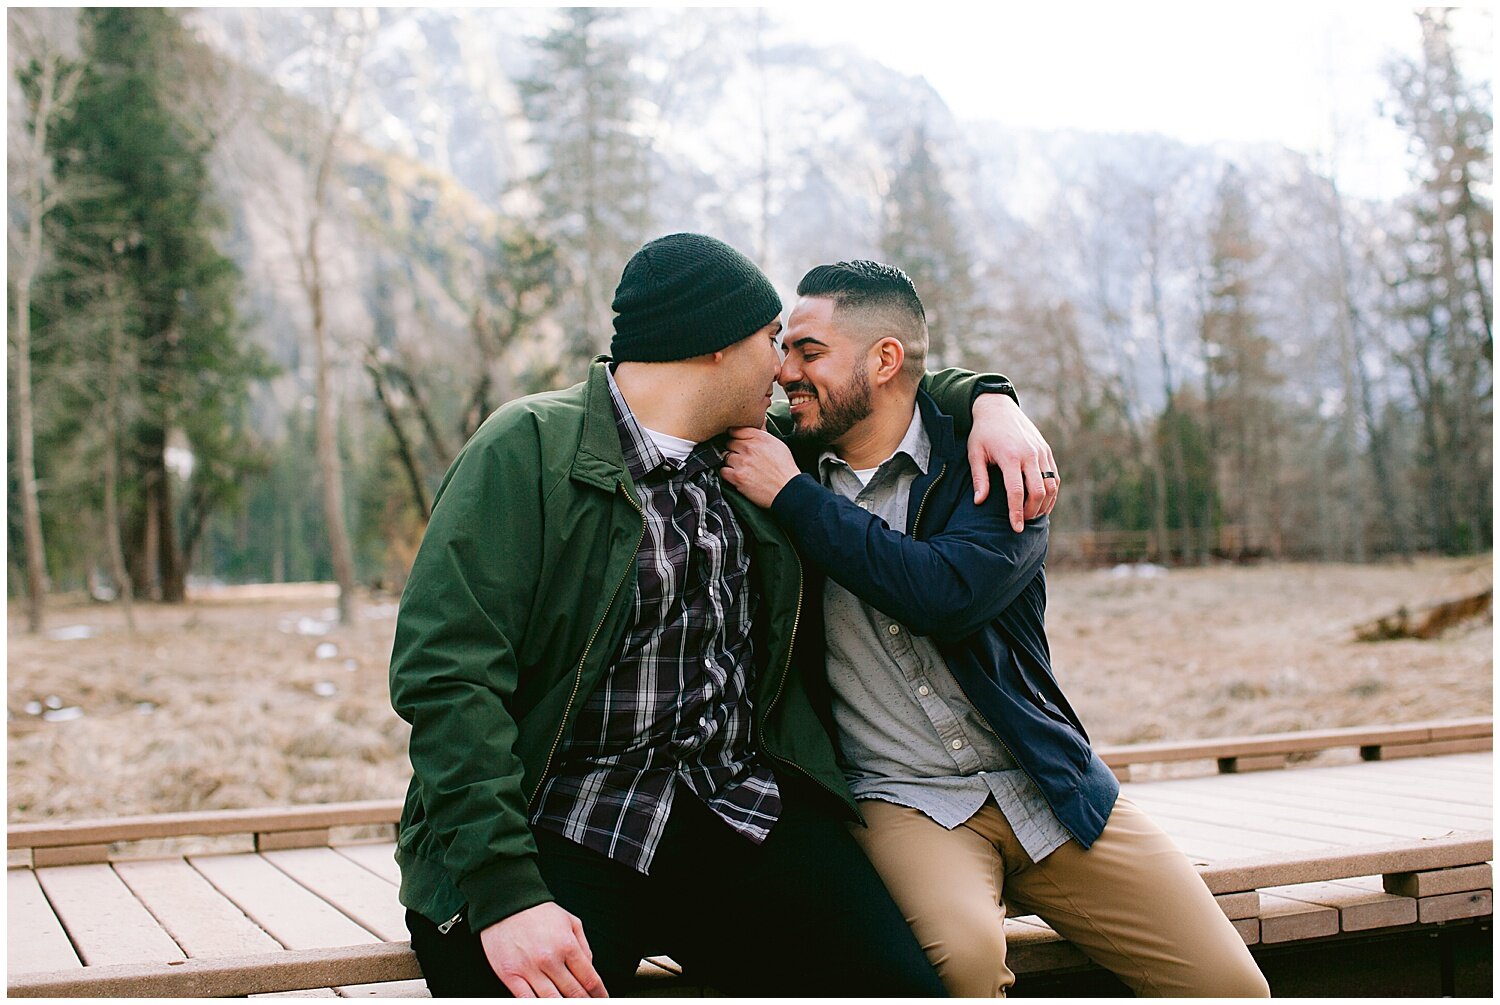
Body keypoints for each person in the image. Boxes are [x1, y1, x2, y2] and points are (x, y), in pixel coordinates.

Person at [388, 233, 1059, 997]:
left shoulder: (758, 453)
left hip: (733, 809)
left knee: (897, 987)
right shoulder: (526, 449)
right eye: (772, 340)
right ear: (711, 347)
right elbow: (446, 680)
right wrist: (504, 891)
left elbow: (887, 384)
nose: (783, 368)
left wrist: (992, 400)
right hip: (560, 823)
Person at [721, 260, 1271, 998]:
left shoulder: (997, 463)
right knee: (963, 965)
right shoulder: (780, 455)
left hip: (1045, 782)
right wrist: (989, 389)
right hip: (901, 797)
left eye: (809, 352)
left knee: (1231, 987)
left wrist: (989, 406)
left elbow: (943, 593)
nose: (786, 371)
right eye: (785, 350)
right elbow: (669, 395)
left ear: (885, 360)